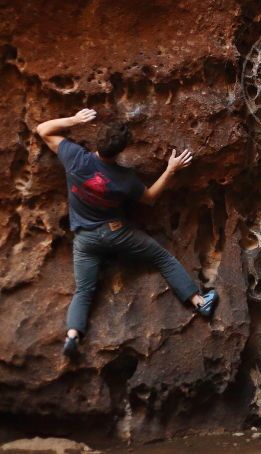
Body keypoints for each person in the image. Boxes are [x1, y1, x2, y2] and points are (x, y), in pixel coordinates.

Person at [35, 109, 219, 359]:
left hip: (85, 239)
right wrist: (171, 169)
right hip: (116, 234)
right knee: (161, 258)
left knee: (84, 290)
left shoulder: (75, 158)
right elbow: (150, 198)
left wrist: (75, 120)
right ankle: (199, 302)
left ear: (97, 141)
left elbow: (43, 129)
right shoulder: (124, 179)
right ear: (121, 150)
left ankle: (72, 336)